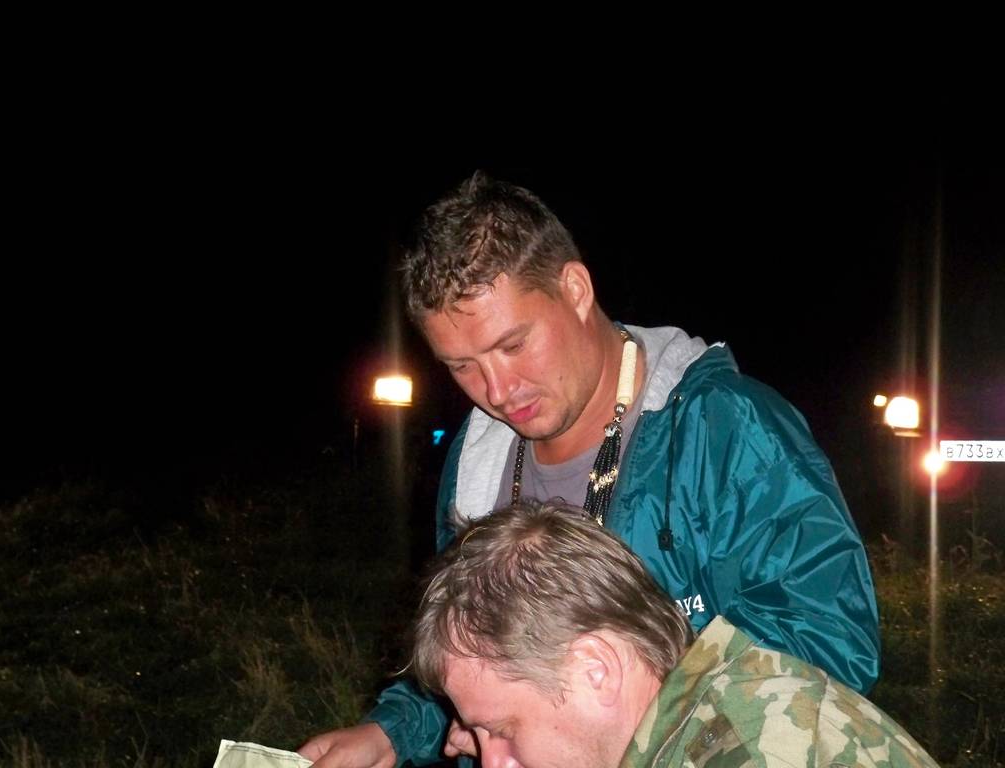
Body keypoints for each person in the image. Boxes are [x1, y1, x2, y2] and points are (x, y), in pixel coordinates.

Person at [298, 172, 880, 767]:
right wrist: (395, 732)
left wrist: (630, 722)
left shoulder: (723, 428)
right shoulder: (478, 459)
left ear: (575, 289)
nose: (497, 391)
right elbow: (471, 644)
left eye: (512, 345)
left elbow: (829, 639)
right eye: (462, 366)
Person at [410, 502, 936, 768]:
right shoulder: (694, 719)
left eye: (500, 730)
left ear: (596, 670)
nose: (490, 762)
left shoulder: (756, 748)